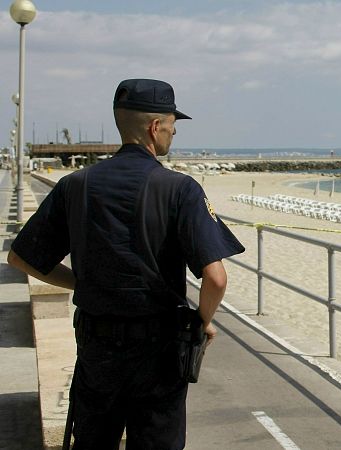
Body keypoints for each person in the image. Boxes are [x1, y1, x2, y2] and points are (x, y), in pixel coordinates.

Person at [7, 79, 245, 449]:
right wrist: (203, 321)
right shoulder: (179, 189)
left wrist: (81, 283)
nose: (174, 131)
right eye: (171, 124)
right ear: (154, 127)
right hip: (159, 350)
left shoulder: (75, 185)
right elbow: (215, 278)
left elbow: (21, 257)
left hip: (97, 347)